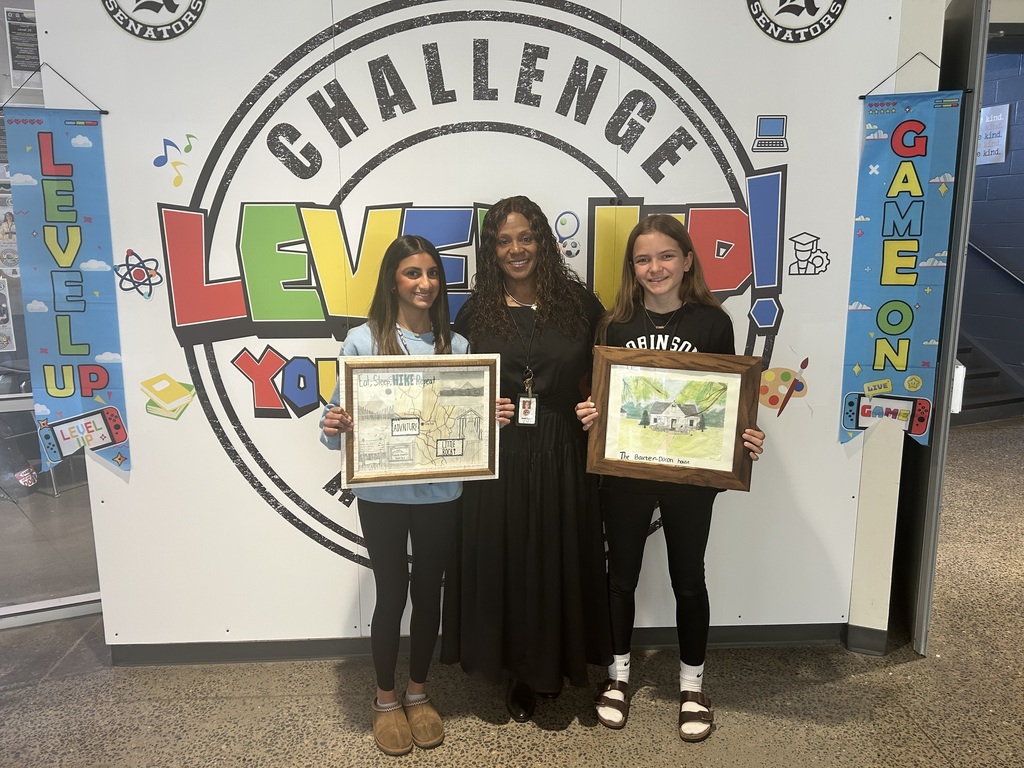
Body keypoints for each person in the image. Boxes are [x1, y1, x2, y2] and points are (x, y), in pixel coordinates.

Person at [575, 214, 765, 743]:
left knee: (688, 577)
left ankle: (692, 685)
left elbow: (725, 404)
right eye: (643, 259)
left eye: (665, 256)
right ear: (632, 269)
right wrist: (592, 415)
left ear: (686, 260)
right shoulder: (614, 326)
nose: (654, 267)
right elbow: (605, 402)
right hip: (627, 469)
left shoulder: (713, 323)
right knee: (622, 576)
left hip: (691, 475)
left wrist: (743, 437)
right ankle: (617, 679)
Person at [320, 235, 512, 756]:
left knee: (430, 593)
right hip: (382, 494)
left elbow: (468, 424)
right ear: (393, 280)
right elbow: (332, 429)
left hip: (440, 492)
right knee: (392, 593)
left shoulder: (460, 347)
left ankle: (419, 693)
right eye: (412, 273)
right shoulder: (362, 342)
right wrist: (335, 422)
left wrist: (490, 421)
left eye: (431, 273)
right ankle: (384, 701)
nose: (424, 283)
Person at [444, 195, 612, 722]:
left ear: (543, 241)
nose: (516, 249)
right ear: (491, 250)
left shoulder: (582, 305)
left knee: (557, 558)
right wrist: (479, 403)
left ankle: (555, 666)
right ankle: (516, 672)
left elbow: (612, 376)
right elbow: (452, 385)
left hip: (563, 450)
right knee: (510, 561)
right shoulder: (475, 311)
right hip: (502, 456)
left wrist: (599, 408)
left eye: (526, 236)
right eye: (503, 240)